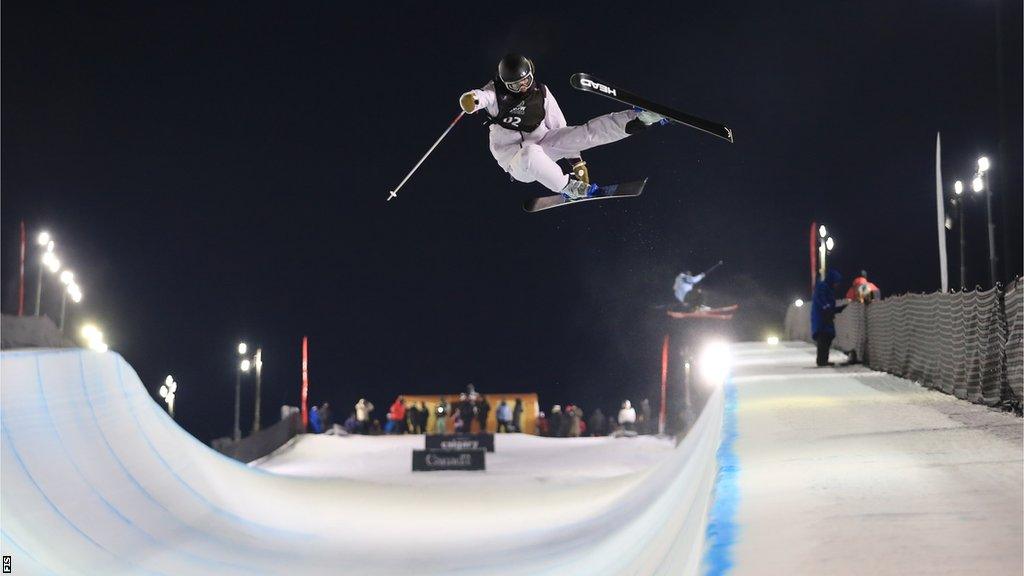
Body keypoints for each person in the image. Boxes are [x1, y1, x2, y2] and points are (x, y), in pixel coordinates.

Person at [459, 53, 668, 201]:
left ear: (531, 74)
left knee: (582, 133)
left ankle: (639, 119)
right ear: (506, 84)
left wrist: (577, 163)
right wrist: (470, 100)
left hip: (545, 145)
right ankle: (568, 188)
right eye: (515, 85)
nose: (522, 87)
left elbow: (561, 128)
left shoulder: (542, 92)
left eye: (526, 81)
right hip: (518, 162)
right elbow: (479, 97)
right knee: (530, 152)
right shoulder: (495, 94)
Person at [812, 269, 846, 367]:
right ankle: (822, 361)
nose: (837, 285)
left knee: (827, 338)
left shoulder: (827, 288)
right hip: (822, 318)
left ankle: (823, 360)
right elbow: (822, 301)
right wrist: (828, 309)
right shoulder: (823, 287)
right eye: (836, 282)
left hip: (825, 317)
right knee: (824, 338)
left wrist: (835, 309)